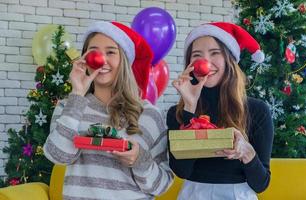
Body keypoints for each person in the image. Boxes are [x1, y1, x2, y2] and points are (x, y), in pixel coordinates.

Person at [44, 21, 173, 200]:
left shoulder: (149, 114)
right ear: (84, 59)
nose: (101, 59)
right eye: (94, 51)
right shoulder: (69, 106)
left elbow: (162, 186)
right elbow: (58, 156)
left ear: (125, 60)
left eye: (111, 52)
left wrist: (138, 160)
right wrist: (77, 95)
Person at [167, 22, 274, 200]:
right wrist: (190, 109)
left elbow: (261, 184)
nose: (205, 61)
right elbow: (181, 171)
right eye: (197, 55)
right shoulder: (177, 113)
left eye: (215, 53)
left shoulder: (257, 110)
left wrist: (247, 153)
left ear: (229, 59)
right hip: (194, 195)